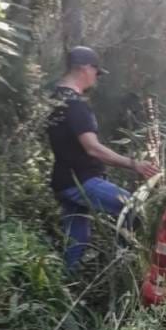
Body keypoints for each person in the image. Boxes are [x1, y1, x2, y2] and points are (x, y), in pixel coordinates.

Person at [47, 46, 158, 271]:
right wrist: (134, 164)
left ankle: (70, 286)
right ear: (85, 68)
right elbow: (93, 149)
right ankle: (125, 265)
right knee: (134, 209)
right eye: (96, 72)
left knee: (77, 241)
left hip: (63, 179)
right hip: (81, 180)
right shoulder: (75, 105)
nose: (96, 79)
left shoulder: (55, 99)